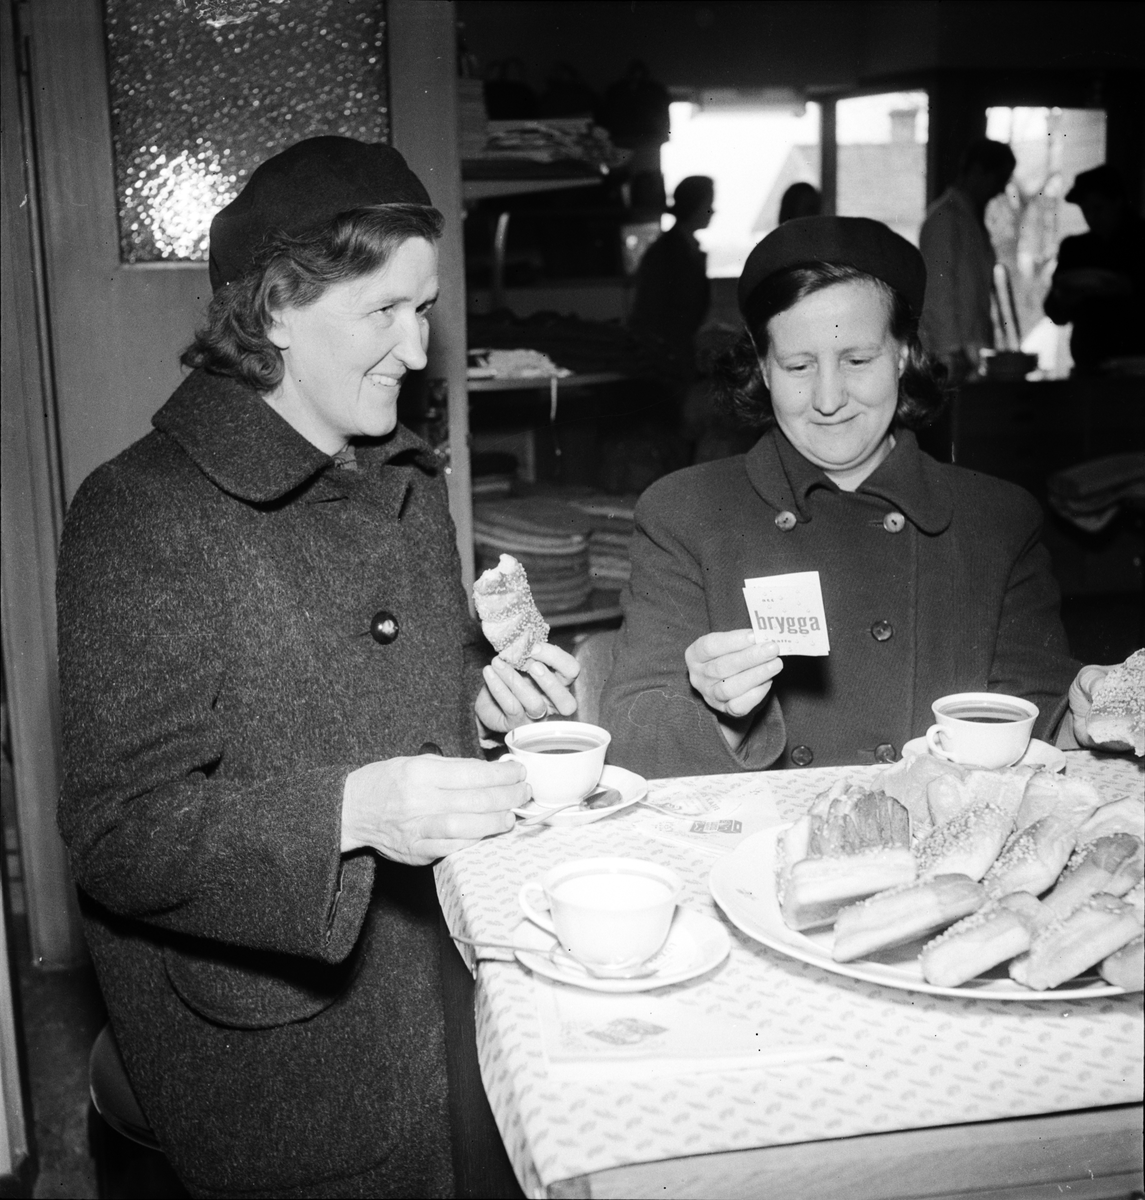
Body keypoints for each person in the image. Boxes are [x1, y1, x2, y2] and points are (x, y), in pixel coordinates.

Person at [56, 137, 579, 1198]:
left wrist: (486, 701)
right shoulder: (140, 514)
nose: (416, 346)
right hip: (278, 1055)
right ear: (276, 309)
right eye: (382, 312)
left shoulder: (400, 483)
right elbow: (119, 833)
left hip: (437, 994)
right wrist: (353, 811)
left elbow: (395, 703)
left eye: (423, 308)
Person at [601, 215, 1114, 779]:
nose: (828, 399)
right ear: (764, 368)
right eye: (798, 365)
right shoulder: (684, 514)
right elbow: (633, 734)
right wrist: (725, 716)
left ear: (902, 354)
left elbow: (1032, 713)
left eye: (857, 361)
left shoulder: (996, 520)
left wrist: (1080, 721)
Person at [918, 138, 1016, 382]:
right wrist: (951, 351)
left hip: (970, 354)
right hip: (952, 357)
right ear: (976, 171)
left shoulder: (970, 220)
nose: (1002, 190)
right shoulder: (944, 219)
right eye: (999, 179)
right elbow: (936, 292)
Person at [1043, 164, 1145, 373]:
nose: (1092, 217)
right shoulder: (1075, 249)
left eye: (1098, 208)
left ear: (1117, 202)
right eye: (1086, 210)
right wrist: (1064, 299)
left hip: (1137, 363)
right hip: (1089, 365)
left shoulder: (1141, 242)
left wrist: (1130, 288)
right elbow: (1054, 311)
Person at [627, 174, 715, 387]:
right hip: (665, 359)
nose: (712, 211)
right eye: (708, 204)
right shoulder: (665, 253)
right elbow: (651, 312)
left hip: (677, 354)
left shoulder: (685, 249)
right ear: (694, 205)